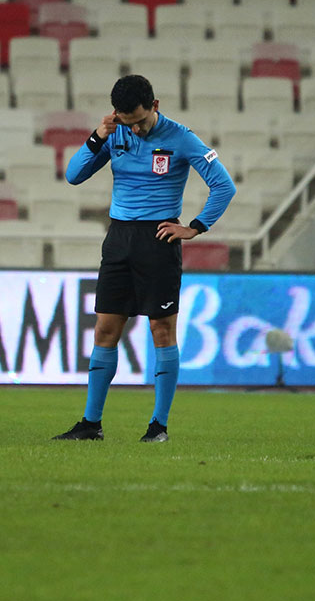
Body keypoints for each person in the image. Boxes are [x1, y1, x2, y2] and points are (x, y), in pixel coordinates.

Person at [52, 75, 236, 443]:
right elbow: (73, 175)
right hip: (119, 238)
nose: (134, 128)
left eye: (139, 119)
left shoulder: (182, 138)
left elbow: (224, 185)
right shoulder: (115, 133)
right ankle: (91, 424)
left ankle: (159, 426)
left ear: (155, 106)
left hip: (158, 239)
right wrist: (98, 136)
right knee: (106, 329)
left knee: (161, 330)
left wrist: (195, 227)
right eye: (125, 120)